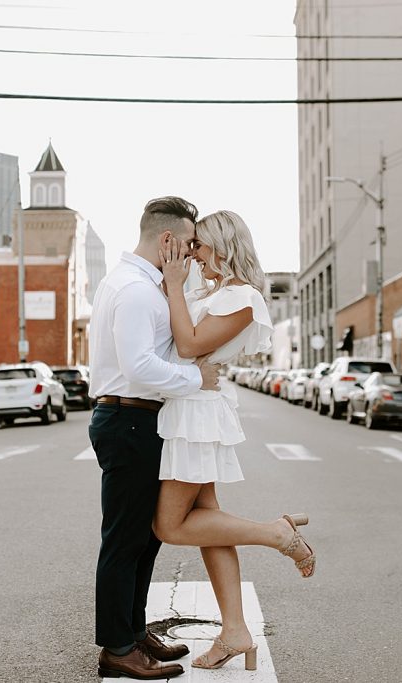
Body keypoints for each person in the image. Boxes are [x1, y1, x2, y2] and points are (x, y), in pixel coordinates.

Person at [152, 210, 316, 672]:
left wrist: (171, 282)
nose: (192, 255)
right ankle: (236, 631)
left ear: (222, 247)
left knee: (169, 525)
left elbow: (188, 346)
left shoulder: (243, 298)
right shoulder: (214, 292)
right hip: (190, 406)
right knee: (208, 522)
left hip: (198, 415)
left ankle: (276, 533)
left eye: (198, 246)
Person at [87, 196, 222, 680]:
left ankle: (134, 629)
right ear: (167, 241)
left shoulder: (138, 284)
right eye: (188, 244)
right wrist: (197, 381)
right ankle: (117, 648)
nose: (191, 254)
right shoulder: (136, 291)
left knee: (145, 538)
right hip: (129, 420)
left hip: (138, 420)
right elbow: (137, 366)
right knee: (125, 540)